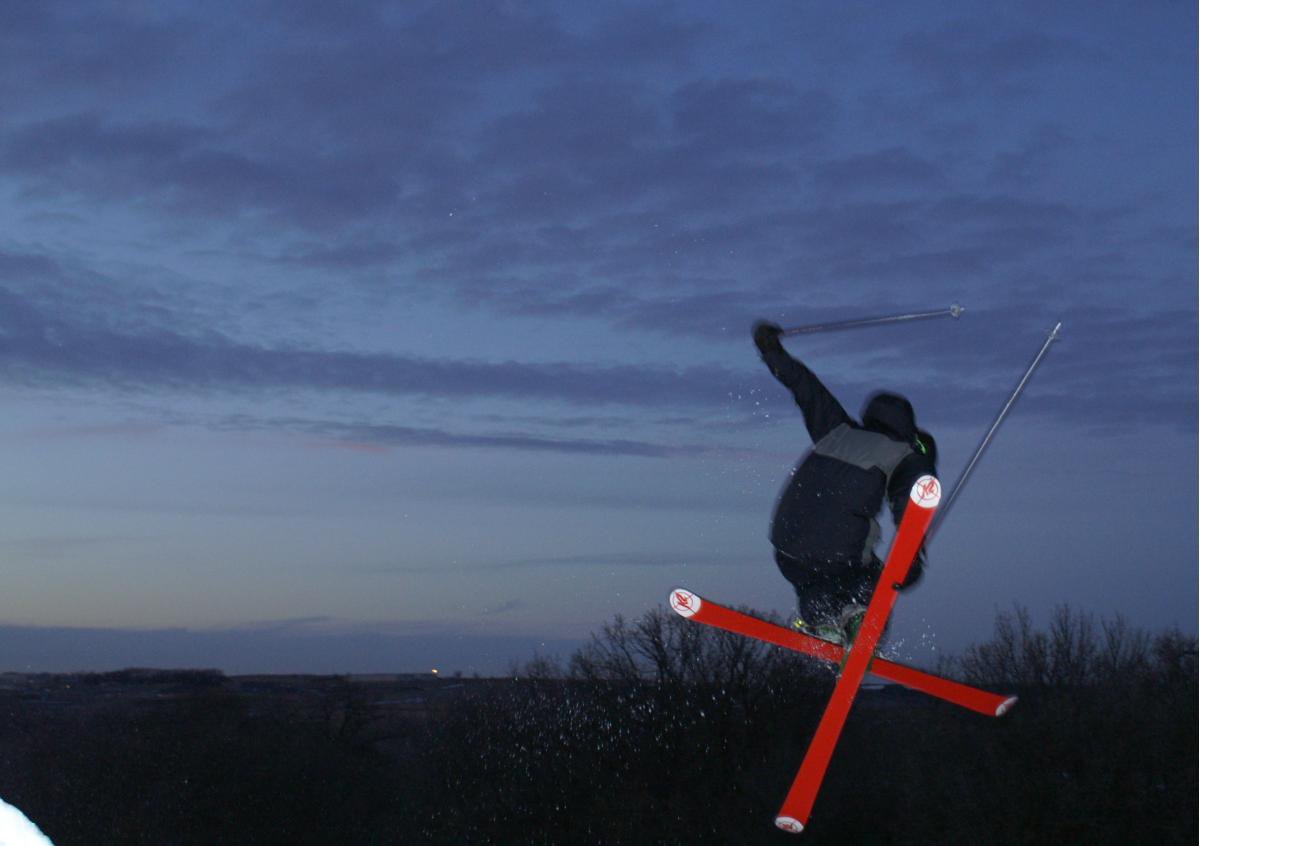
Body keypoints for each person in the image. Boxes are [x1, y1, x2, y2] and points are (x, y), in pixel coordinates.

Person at [753, 321, 937, 646]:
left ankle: (823, 621)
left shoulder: (836, 428)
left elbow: (805, 387)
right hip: (838, 551)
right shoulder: (903, 454)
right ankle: (860, 618)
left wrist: (772, 351)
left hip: (786, 545)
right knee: (870, 578)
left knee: (814, 585)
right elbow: (911, 500)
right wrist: (910, 556)